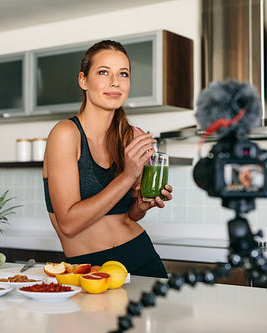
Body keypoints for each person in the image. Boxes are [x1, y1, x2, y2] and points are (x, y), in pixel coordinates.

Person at [42, 40, 173, 278]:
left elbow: (129, 216)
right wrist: (128, 175)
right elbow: (69, 224)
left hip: (141, 256)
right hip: (91, 267)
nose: (115, 82)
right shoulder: (66, 134)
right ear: (83, 80)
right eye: (104, 72)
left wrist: (140, 206)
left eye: (123, 74)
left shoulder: (130, 136)